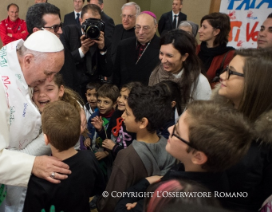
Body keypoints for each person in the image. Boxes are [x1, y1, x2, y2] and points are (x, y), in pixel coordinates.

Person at [0, 30, 71, 212]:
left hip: (17, 187)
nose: (50, 79)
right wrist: (32, 164)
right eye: (48, 73)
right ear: (28, 60)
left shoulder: (22, 70)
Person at [117, 100, 253, 211]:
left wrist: (144, 185)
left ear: (198, 157)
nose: (170, 129)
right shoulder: (207, 173)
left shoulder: (179, 199)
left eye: (177, 132)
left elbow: (121, 209)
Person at [97, 83, 176, 212]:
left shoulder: (126, 156)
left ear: (143, 122)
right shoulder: (168, 146)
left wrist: (101, 205)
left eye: (127, 114)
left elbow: (112, 197)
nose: (122, 116)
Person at [215, 48, 272, 211]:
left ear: (255, 82)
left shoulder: (265, 144)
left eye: (231, 73)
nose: (222, 76)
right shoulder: (213, 116)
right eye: (225, 69)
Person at [23, 101, 105, 212]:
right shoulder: (89, 158)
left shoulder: (38, 180)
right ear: (78, 133)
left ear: (46, 139)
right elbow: (98, 188)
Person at [149, 30, 211, 110]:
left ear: (184, 56)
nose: (163, 60)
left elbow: (204, 114)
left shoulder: (199, 82)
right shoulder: (156, 74)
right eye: (161, 54)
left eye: (169, 55)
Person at [61, 4, 111, 98]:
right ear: (80, 21)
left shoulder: (103, 39)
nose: (92, 26)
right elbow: (64, 64)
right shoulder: (68, 32)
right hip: (72, 89)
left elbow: (108, 72)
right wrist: (82, 51)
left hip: (94, 93)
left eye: (96, 23)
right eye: (88, 22)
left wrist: (102, 50)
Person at [26, 2, 78, 93]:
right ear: (36, 31)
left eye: (60, 26)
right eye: (55, 27)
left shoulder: (62, 50)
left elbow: (72, 86)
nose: (61, 31)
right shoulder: (22, 56)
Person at [33, 73, 86, 150]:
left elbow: (30, 153)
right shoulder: (64, 101)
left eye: (49, 89)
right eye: (36, 90)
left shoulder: (62, 120)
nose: (41, 94)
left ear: (61, 90)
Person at [112, 11, 160, 87]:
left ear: (155, 27)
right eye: (138, 27)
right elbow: (116, 76)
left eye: (145, 28)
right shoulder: (123, 45)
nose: (140, 32)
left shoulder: (162, 48)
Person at [99, 82, 141, 159]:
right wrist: (100, 130)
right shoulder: (116, 114)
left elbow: (134, 154)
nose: (119, 99)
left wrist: (114, 147)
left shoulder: (135, 122)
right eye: (119, 96)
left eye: (125, 97)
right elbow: (108, 137)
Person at [197, 12, 235, 88]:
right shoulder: (195, 49)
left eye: (204, 27)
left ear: (216, 32)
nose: (199, 30)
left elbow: (222, 83)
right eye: (201, 26)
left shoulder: (229, 55)